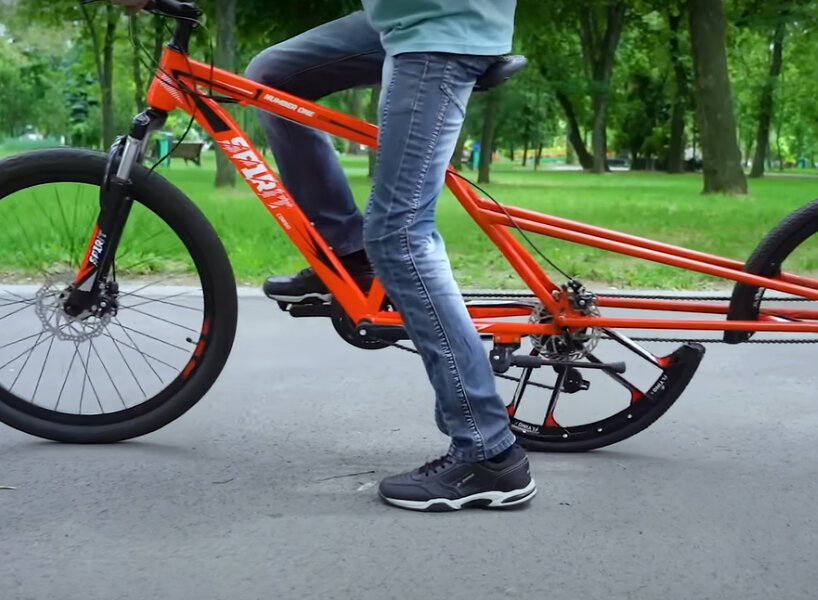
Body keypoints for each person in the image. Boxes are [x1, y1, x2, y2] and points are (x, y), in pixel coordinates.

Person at [113, 0, 536, 512]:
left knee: (400, 235)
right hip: (403, 17)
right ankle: (349, 255)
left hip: (440, 25)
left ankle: (489, 452)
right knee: (272, 79)